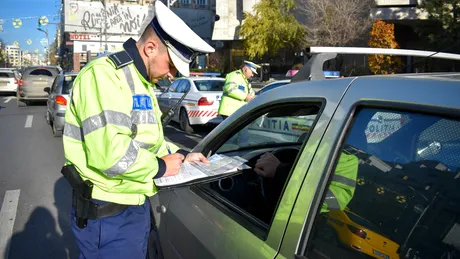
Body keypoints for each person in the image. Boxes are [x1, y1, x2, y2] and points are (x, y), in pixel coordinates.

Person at [62, 1, 213, 258]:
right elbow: (110, 154)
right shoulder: (105, 75)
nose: (172, 75)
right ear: (151, 47)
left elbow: (149, 141)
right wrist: (162, 167)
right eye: (172, 65)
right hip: (108, 215)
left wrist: (181, 157)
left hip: (132, 206)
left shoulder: (140, 81)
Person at [254, 151, 359, 214]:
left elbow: (334, 202)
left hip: (297, 231)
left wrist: (281, 171)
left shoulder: (346, 158)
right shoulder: (319, 139)